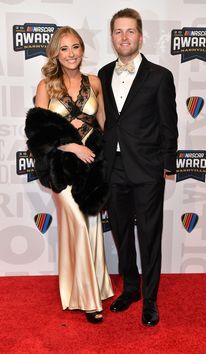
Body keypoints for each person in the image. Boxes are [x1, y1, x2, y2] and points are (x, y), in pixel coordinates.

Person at [25, 26, 114, 324]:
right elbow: (37, 134)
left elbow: (102, 124)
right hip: (62, 171)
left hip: (92, 167)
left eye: (75, 47)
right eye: (64, 48)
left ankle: (94, 286)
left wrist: (109, 156)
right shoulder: (47, 86)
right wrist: (72, 146)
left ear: (82, 49)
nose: (71, 53)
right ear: (55, 53)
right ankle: (89, 300)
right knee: (76, 224)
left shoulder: (95, 82)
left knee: (90, 228)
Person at [98, 9, 178, 326]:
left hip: (146, 168)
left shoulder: (159, 76)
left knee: (148, 236)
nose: (124, 37)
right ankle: (130, 289)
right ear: (112, 37)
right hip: (113, 167)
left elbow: (168, 125)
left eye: (130, 31)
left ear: (140, 36)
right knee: (120, 233)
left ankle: (151, 300)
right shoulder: (103, 74)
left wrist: (168, 163)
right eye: (118, 31)